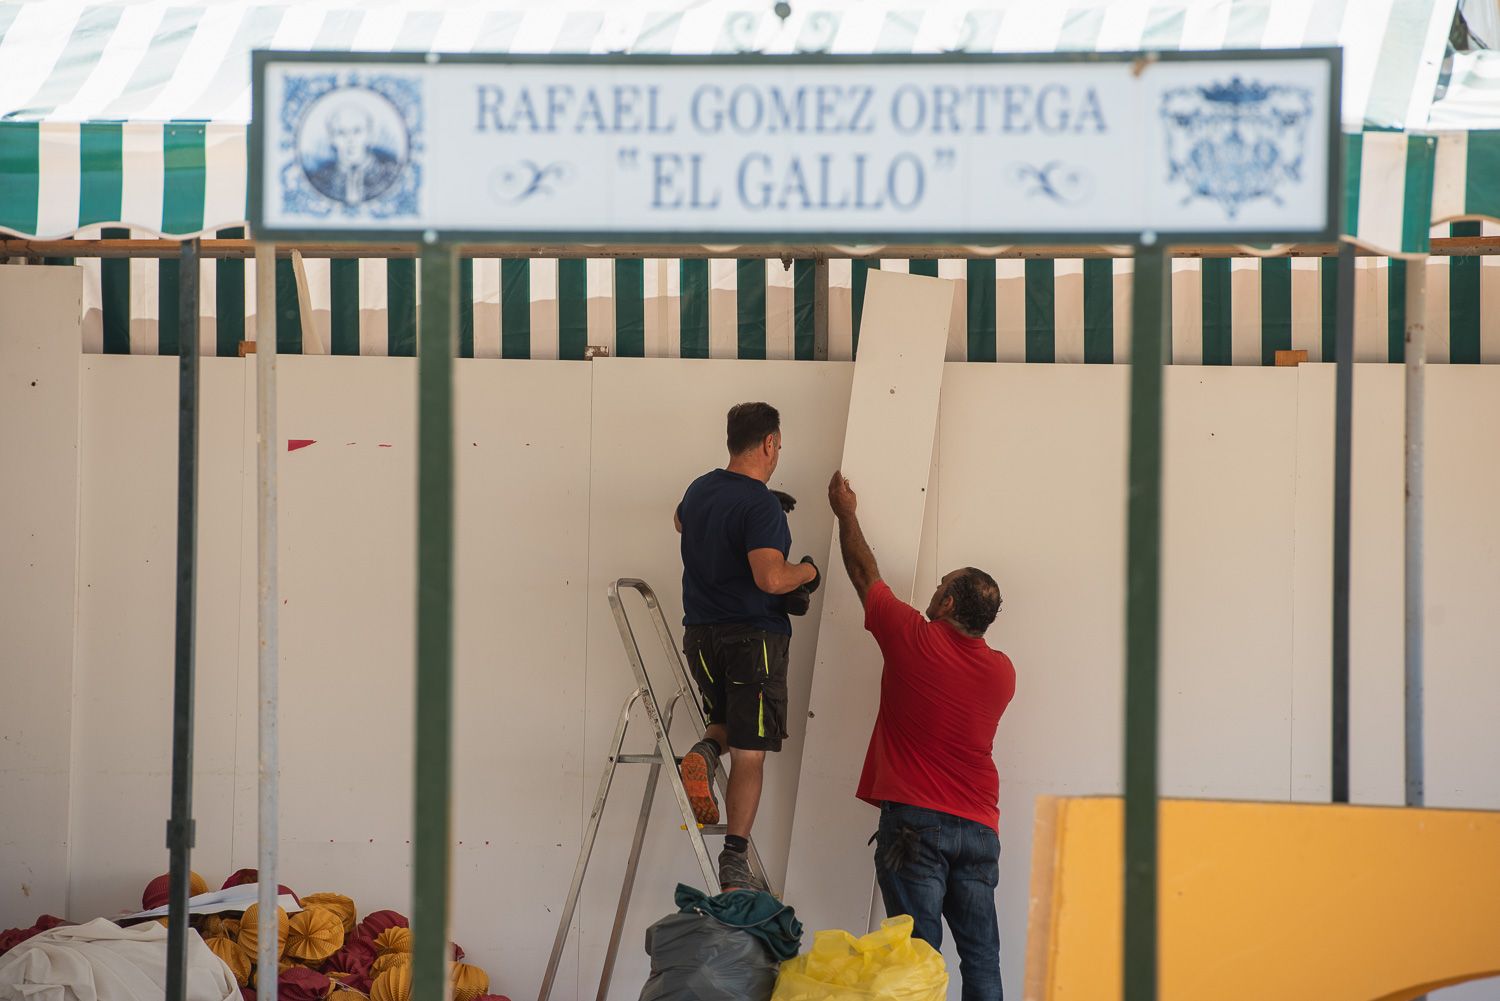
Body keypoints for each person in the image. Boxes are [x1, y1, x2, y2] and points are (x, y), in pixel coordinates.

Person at [826, 470, 1015, 1001]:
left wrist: (846, 514)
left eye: (939, 586)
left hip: (916, 826)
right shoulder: (1003, 673)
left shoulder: (914, 639)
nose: (931, 592)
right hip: (979, 829)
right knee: (983, 961)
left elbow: (865, 574)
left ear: (949, 604)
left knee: (917, 960)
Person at [674, 402, 820, 892]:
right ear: (770, 443)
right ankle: (734, 858)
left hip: (701, 636)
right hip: (752, 640)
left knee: (722, 724)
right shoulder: (760, 506)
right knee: (750, 752)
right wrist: (808, 571)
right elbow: (772, 578)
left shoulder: (699, 489)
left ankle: (700, 753)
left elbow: (680, 521)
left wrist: (735, 511)